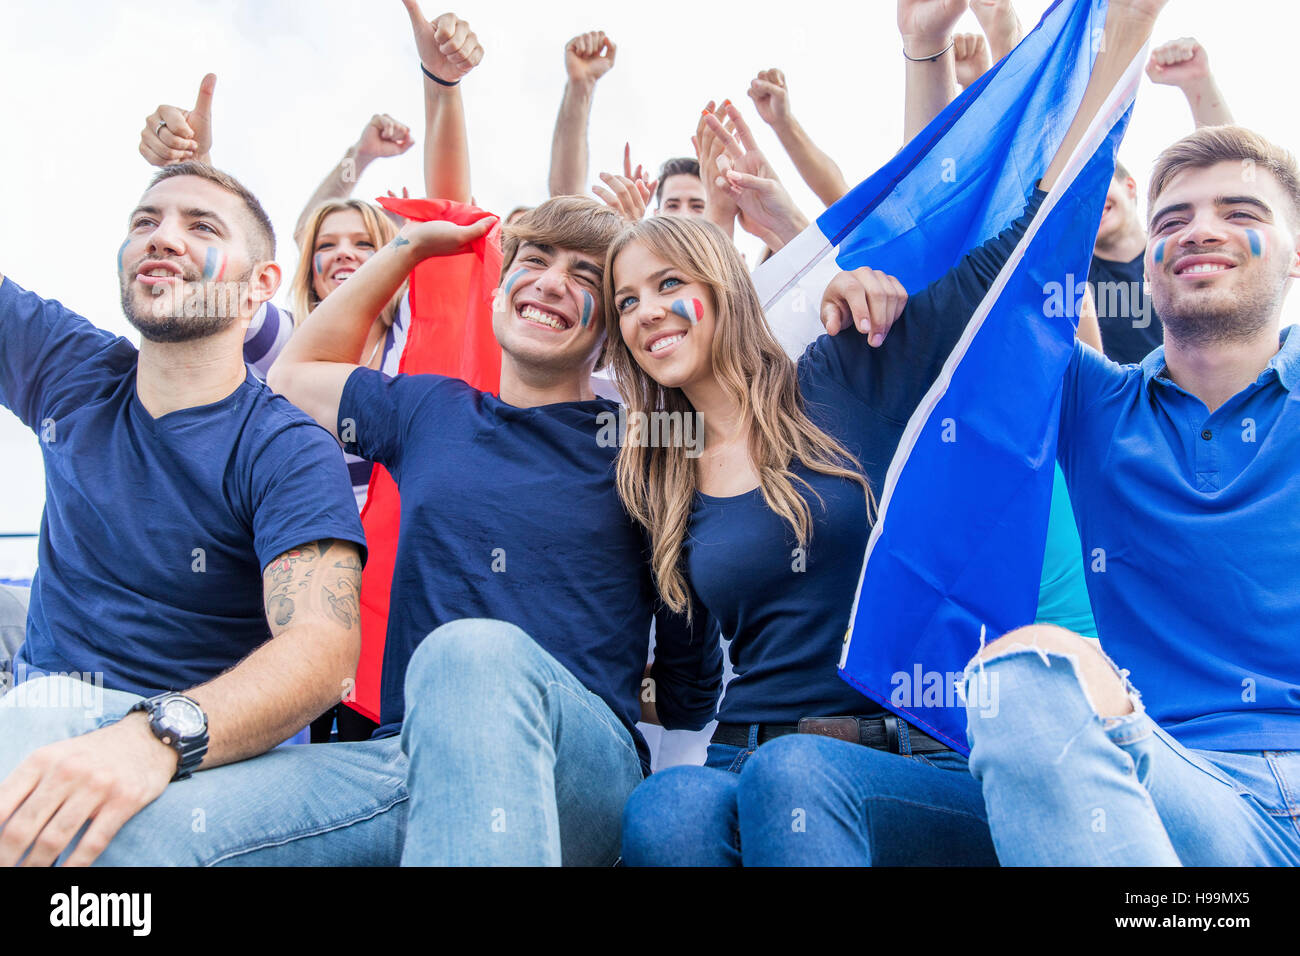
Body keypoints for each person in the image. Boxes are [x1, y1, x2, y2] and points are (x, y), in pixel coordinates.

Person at [615, 0, 1154, 867]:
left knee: (793, 776)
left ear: (721, 282)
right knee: (666, 812)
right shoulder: (657, 475)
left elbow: (1017, 252)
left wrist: (1124, 31)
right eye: (626, 301)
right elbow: (682, 674)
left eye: (667, 282)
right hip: (737, 751)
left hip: (903, 755)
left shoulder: (848, 367)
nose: (647, 313)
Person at [0, 161, 368, 867]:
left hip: (208, 752)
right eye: (146, 221)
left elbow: (321, 653)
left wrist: (154, 737)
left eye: (200, 226)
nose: (162, 237)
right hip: (49, 709)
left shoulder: (289, 450)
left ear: (261, 285)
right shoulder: (71, 371)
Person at [960, 121, 1300, 866]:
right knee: (1026, 671)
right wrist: (929, 55)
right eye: (1171, 221)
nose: (1199, 230)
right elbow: (986, 257)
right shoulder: (1095, 404)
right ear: (1147, 268)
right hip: (1179, 797)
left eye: (1240, 213)